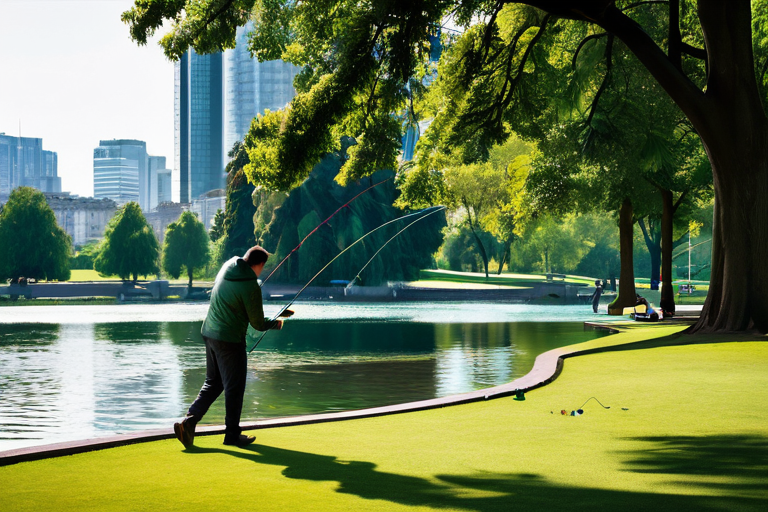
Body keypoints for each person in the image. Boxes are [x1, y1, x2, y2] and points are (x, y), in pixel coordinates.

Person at [173, 246, 293, 448]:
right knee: (234, 388)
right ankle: (232, 436)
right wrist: (277, 322)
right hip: (229, 340)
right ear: (260, 264)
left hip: (209, 333)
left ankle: (189, 422)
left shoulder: (228, 265)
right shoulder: (251, 286)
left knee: (214, 383)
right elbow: (257, 323)